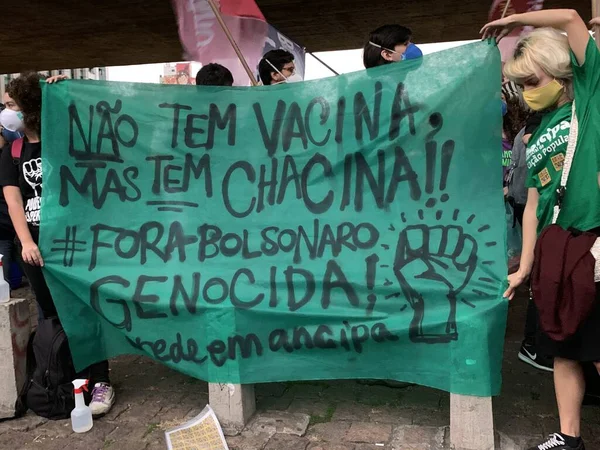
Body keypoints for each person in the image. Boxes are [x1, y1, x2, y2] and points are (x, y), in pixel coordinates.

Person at [482, 10, 600, 450]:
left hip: (591, 239)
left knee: (595, 339)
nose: (528, 93)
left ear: (558, 72)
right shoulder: (538, 130)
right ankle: (570, 437)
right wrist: (525, 267)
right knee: (562, 345)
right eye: (522, 84)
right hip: (555, 244)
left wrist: (512, 20)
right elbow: (532, 205)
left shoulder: (589, 97)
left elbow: (571, 17)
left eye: (533, 81)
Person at [0, 73, 116, 416]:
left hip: (75, 245)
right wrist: (25, 242)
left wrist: (68, 92)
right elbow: (13, 201)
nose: (6, 113)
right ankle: (67, 379)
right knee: (52, 315)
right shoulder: (12, 152)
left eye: (12, 106)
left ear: (32, 110)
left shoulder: (64, 140)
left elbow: (98, 125)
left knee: (85, 311)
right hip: (37, 249)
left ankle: (100, 381)